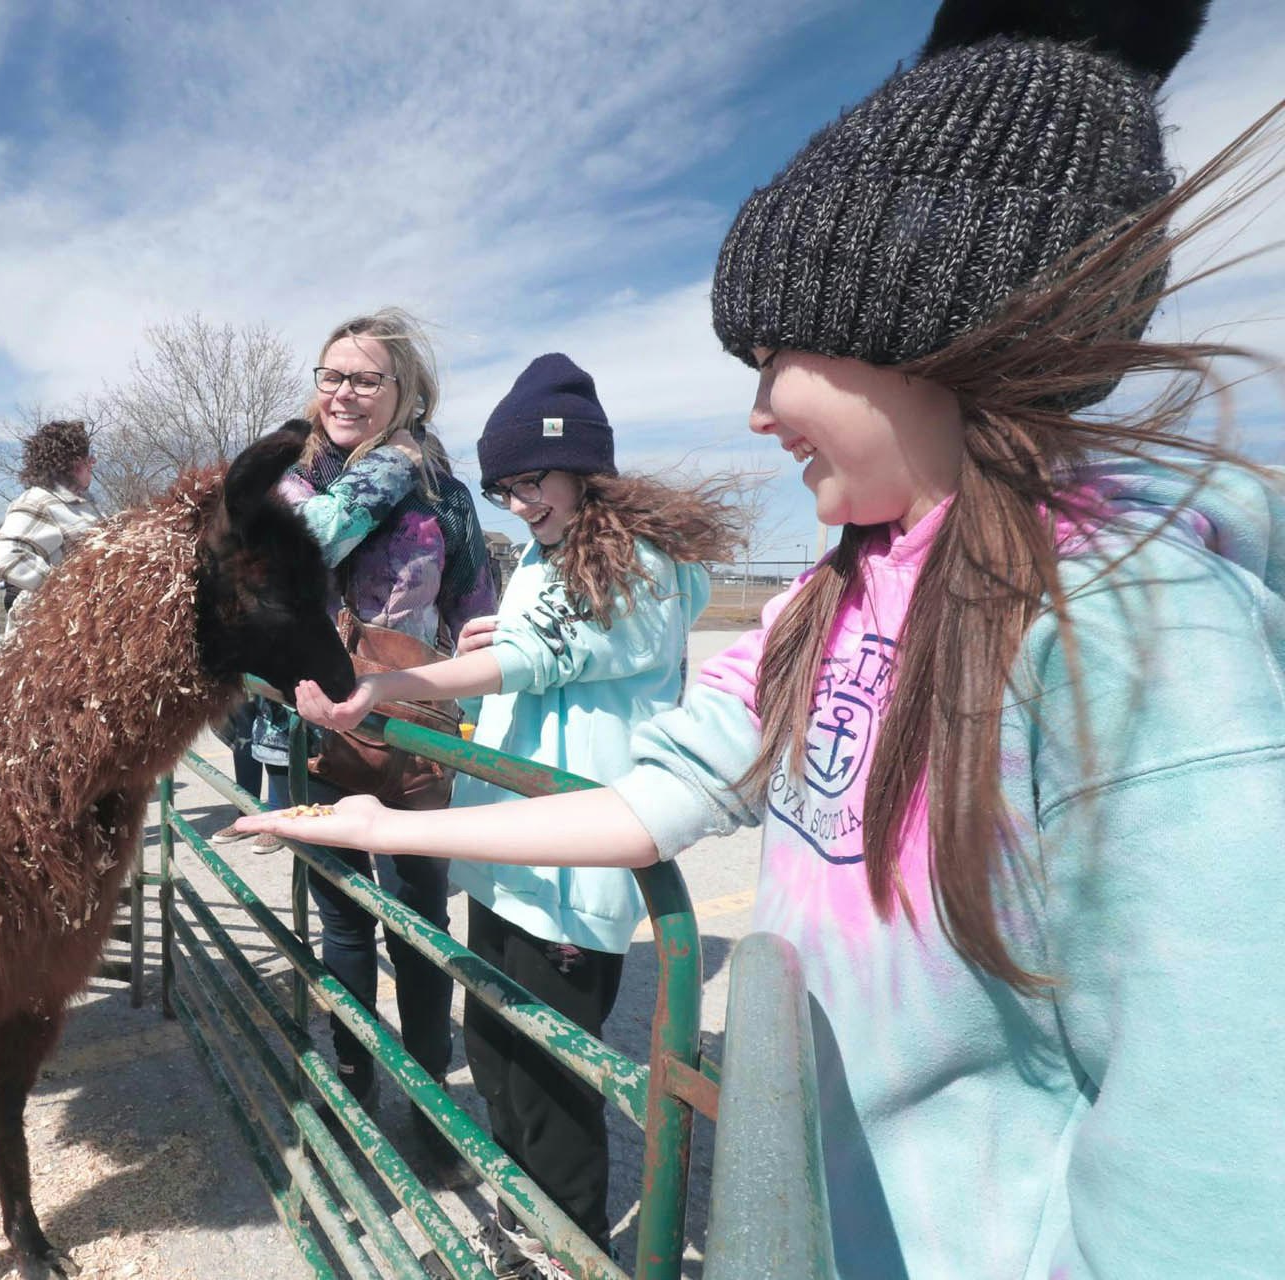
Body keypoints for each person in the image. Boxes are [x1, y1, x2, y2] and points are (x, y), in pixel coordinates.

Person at [242, 10, 1285, 1275]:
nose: (752, 411)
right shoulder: (827, 605)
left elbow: (1219, 1142)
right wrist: (379, 826)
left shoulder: (1133, 628)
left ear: (925, 323)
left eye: (776, 356)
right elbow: (652, 798)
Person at [295, 353, 739, 1269]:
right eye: (504, 490)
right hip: (508, 854)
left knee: (547, 1076)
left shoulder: (642, 562)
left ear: (582, 465)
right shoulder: (550, 554)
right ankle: (522, 1220)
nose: (519, 502)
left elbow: (546, 659)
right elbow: (536, 646)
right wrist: (492, 630)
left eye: (531, 481)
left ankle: (565, 1245)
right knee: (495, 1052)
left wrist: (386, 685)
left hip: (569, 866)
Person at [259, 307, 497, 1154]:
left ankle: (430, 1116)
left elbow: (477, 612)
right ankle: (356, 1095)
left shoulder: (442, 494)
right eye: (331, 375)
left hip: (412, 731)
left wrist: (460, 672)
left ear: (405, 392)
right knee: (346, 927)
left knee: (419, 926)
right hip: (314, 722)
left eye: (365, 379)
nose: (344, 393)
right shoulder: (287, 480)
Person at [0, 420, 104, 615]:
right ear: (72, 463)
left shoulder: (85, 505)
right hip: (55, 629)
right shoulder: (38, 501)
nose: (93, 462)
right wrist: (67, 590)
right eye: (88, 457)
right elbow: (6, 555)